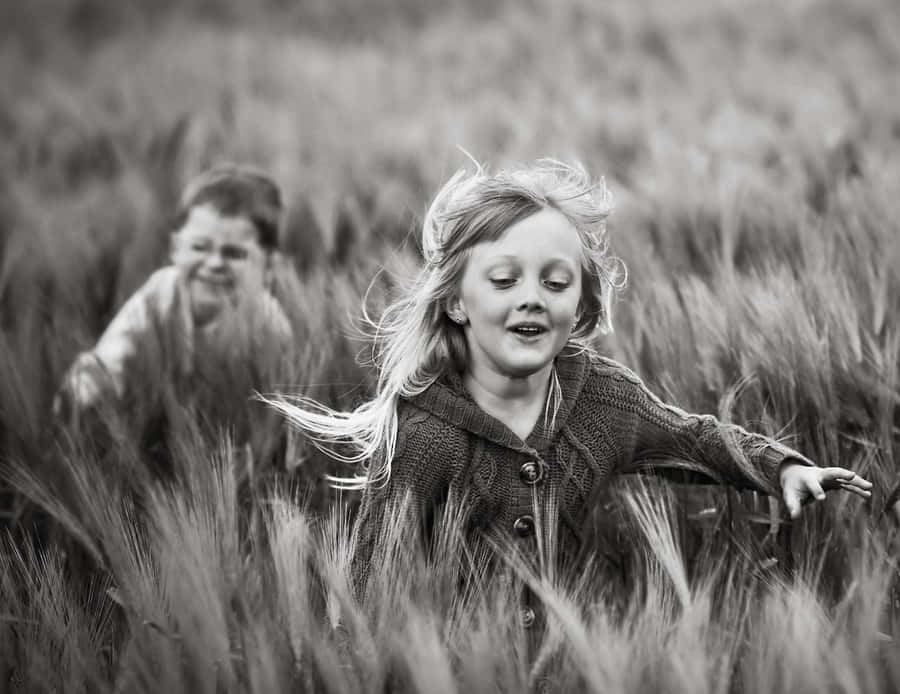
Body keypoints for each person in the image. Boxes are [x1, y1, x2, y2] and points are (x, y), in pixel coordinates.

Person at [274, 159, 872, 604]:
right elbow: (369, 579)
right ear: (456, 302)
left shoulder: (601, 402)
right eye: (504, 281)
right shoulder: (427, 437)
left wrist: (781, 468)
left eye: (555, 283)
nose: (532, 298)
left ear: (582, 304)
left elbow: (692, 439)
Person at [55, 163, 294, 473]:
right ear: (175, 248)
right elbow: (109, 364)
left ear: (269, 266)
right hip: (149, 444)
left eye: (234, 253)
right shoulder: (157, 299)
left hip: (224, 457)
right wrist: (86, 393)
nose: (214, 263)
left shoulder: (269, 326)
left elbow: (275, 416)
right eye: (199, 247)